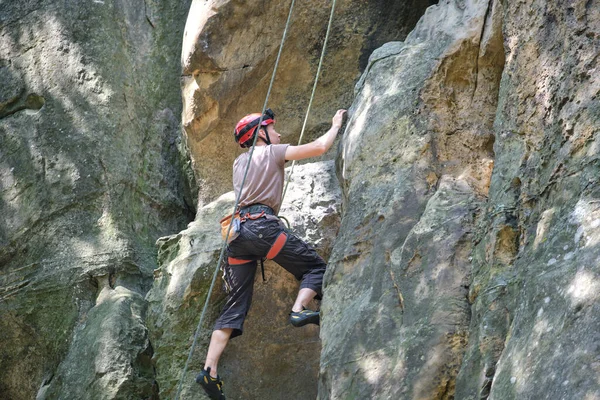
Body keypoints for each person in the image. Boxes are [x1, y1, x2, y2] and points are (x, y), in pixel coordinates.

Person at [196, 107, 346, 400]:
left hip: (237, 237)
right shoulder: (273, 151)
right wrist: (336, 123)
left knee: (234, 306)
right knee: (316, 269)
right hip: (263, 230)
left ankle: (209, 371)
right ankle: (299, 310)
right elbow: (320, 147)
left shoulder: (239, 162)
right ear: (261, 134)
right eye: (273, 128)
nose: (279, 133)